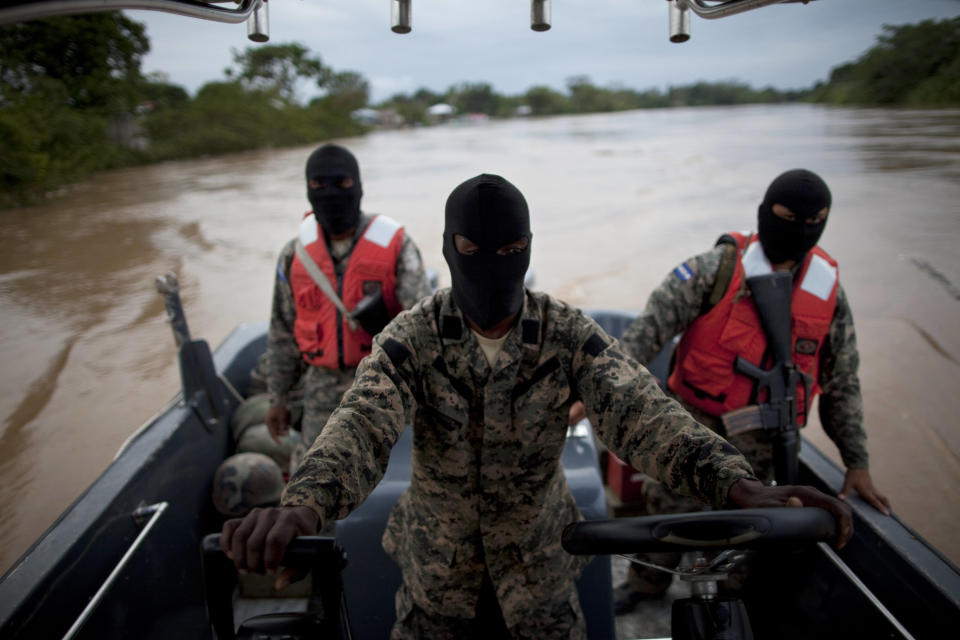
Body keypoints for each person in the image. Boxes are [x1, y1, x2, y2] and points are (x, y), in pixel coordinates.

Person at [221, 173, 853, 640]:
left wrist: (736, 483)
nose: (492, 269)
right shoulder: (411, 338)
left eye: (509, 251)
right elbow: (360, 425)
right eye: (471, 253)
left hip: (541, 576)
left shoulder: (567, 334)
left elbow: (642, 413)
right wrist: (303, 502)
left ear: (528, 247)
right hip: (436, 581)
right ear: (446, 249)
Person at [601, 168, 889, 613]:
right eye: (789, 217)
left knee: (744, 533)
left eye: (815, 221)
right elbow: (644, 336)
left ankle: (729, 599)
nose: (802, 230)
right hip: (690, 427)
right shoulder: (714, 270)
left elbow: (842, 381)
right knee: (663, 509)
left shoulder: (827, 292)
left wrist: (857, 462)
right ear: (764, 213)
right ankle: (645, 584)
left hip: (763, 446)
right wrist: (597, 394)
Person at [264, 143, 433, 473]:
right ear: (308, 191)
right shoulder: (294, 254)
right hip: (322, 389)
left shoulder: (396, 245)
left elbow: (423, 327)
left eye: (341, 185)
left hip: (387, 379)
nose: (330, 195)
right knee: (310, 477)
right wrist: (279, 398)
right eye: (318, 186)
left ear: (358, 187)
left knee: (405, 473)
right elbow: (282, 330)